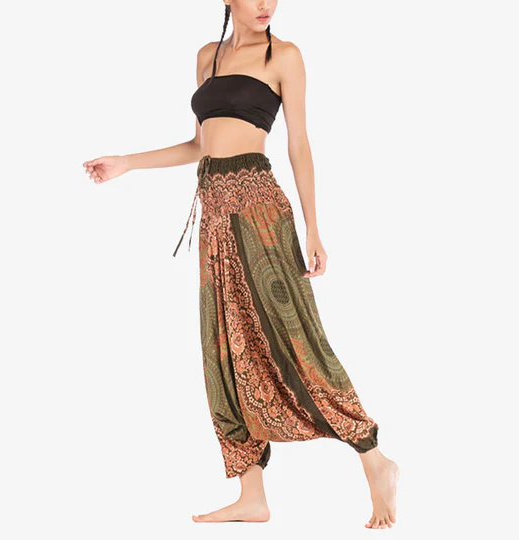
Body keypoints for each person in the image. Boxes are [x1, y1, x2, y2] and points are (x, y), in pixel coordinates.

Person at [83, 0, 399, 529]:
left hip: (259, 209)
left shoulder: (285, 56)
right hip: (214, 215)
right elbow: (199, 144)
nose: (266, 4)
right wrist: (127, 163)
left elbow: (299, 145)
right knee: (224, 346)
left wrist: (312, 227)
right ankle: (252, 495)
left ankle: (373, 456)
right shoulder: (206, 57)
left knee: (296, 338)